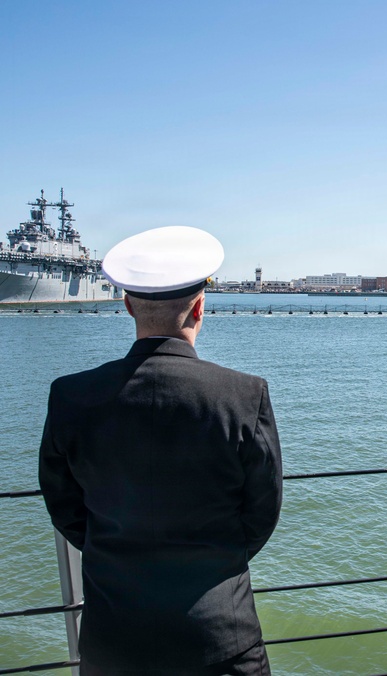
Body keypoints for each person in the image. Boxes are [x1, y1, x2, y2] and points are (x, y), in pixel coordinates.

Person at [38, 226, 283, 675]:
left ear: (128, 304)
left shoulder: (70, 396)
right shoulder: (245, 396)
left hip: (113, 641)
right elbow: (262, 512)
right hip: (220, 638)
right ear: (200, 307)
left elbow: (64, 506)